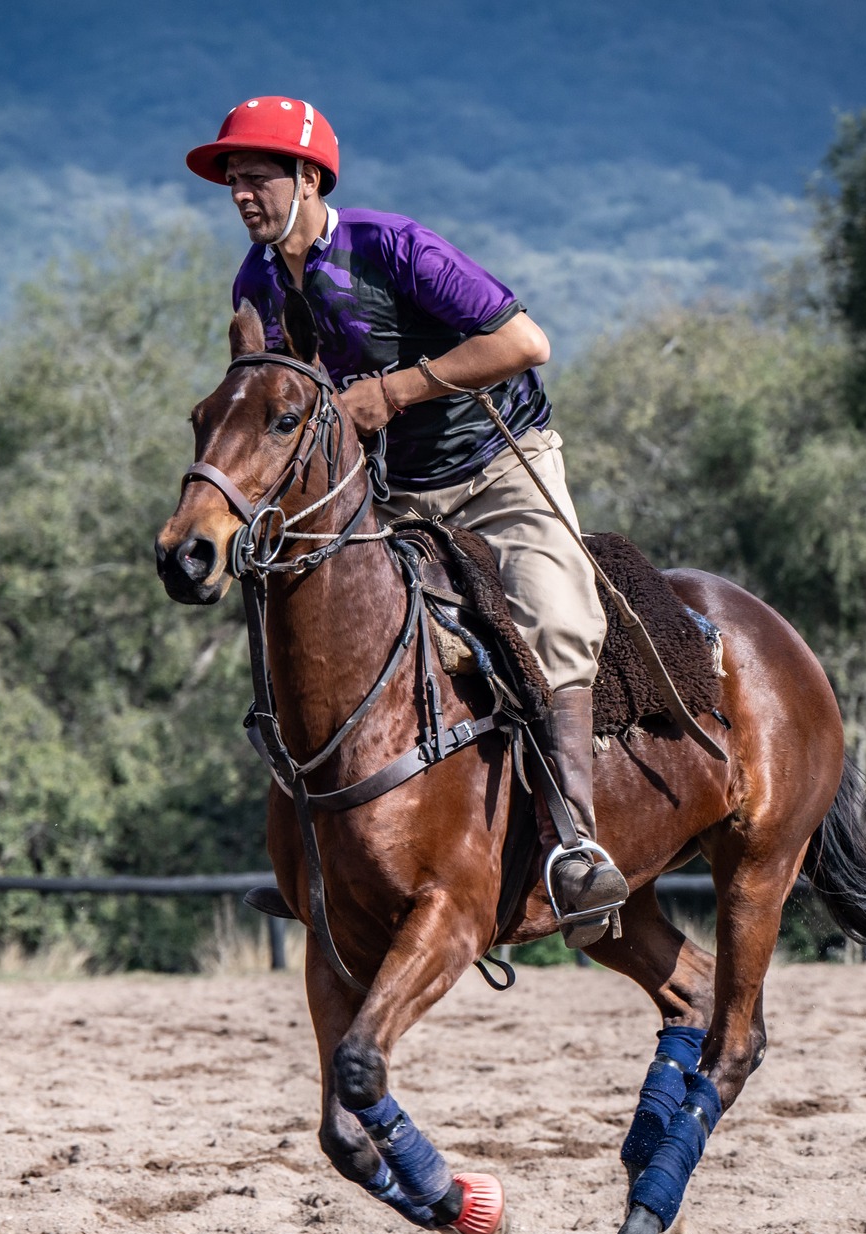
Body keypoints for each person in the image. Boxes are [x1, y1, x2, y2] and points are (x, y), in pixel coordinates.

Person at [186, 97, 627, 942]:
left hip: (500, 468)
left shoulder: (391, 246)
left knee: (559, 622)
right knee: (320, 631)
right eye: (232, 182)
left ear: (309, 178)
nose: (240, 194)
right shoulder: (257, 282)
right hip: (392, 491)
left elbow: (525, 342)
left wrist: (392, 392)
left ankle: (575, 847)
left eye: (256, 177)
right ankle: (322, 852)